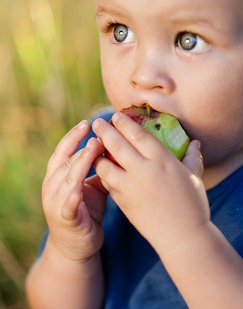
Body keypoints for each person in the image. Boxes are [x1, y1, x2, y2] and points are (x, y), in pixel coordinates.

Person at [25, 0, 243, 307]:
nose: (142, 75)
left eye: (188, 41)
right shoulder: (98, 151)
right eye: (121, 31)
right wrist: (69, 253)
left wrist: (186, 238)